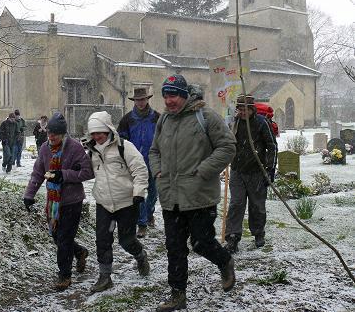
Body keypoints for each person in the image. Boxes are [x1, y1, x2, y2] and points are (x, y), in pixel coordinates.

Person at [149, 74, 237, 312]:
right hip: (171, 197)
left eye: (174, 95)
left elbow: (228, 146)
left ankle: (225, 260)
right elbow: (154, 150)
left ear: (185, 96)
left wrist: (205, 170)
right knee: (175, 248)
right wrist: (157, 172)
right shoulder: (164, 120)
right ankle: (178, 295)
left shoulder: (205, 116)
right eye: (166, 95)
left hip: (199, 195)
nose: (169, 101)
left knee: (201, 243)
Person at [23, 112, 94, 291]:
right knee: (57, 236)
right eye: (49, 133)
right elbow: (38, 173)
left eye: (54, 133)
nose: (51, 137)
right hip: (53, 202)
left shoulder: (75, 147)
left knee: (64, 239)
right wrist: (29, 195)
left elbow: (88, 172)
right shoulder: (45, 149)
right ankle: (79, 252)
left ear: (63, 134)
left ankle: (64, 275)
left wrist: (65, 175)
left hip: (72, 201)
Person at [86, 111, 150, 293]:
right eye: (93, 133)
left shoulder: (124, 147)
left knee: (126, 240)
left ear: (108, 130)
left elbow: (140, 169)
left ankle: (140, 255)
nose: (97, 137)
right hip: (104, 203)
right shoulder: (91, 151)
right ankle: (105, 277)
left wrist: (138, 192)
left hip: (126, 203)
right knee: (102, 240)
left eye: (100, 133)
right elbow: (85, 171)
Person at [224, 95, 277, 254]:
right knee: (236, 204)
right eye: (240, 109)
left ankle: (258, 233)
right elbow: (226, 142)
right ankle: (232, 237)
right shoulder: (234, 122)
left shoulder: (261, 123)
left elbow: (272, 146)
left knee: (257, 206)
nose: (242, 112)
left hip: (257, 172)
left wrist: (270, 169)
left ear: (252, 109)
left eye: (245, 109)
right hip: (237, 170)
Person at [117, 87, 160, 238]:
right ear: (134, 101)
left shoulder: (157, 118)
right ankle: (142, 223)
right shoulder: (127, 120)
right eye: (137, 100)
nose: (140, 102)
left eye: (143, 99)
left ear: (147, 99)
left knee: (154, 193)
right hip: (135, 163)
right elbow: (121, 142)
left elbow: (163, 139)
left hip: (154, 162)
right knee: (139, 193)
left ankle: (149, 213)